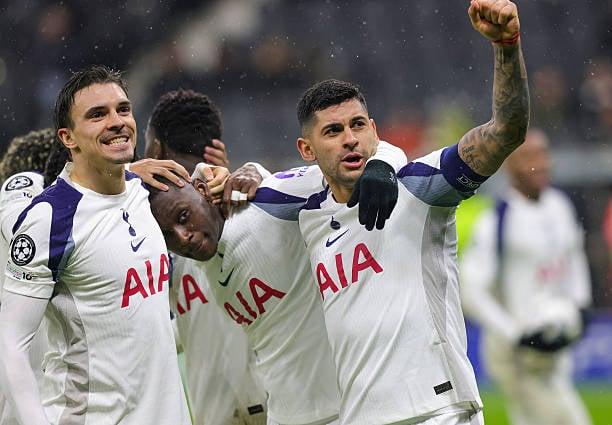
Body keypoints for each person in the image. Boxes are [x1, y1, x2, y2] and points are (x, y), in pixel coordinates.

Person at [262, 0, 529, 423]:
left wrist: (506, 47)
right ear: (306, 150)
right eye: (333, 131)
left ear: (374, 130)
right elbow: (249, 186)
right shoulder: (308, 215)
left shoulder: (421, 188)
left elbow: (506, 131)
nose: (350, 139)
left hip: (438, 410)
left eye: (358, 125)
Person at [0, 65, 191, 425]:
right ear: (68, 137)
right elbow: (11, 344)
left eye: (123, 109)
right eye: (97, 115)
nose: (117, 122)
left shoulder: (145, 192)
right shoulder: (50, 219)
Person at [145, 89, 268, 425]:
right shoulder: (258, 202)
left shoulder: (249, 199)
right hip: (279, 405)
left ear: (155, 149)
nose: (181, 237)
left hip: (251, 410)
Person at [460, 128, 592, 425]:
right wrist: (516, 334)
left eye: (543, 154)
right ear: (509, 165)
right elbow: (470, 290)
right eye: (529, 157)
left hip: (555, 336)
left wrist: (581, 304)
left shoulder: (559, 205)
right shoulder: (498, 219)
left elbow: (574, 256)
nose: (540, 163)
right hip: (519, 355)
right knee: (568, 419)